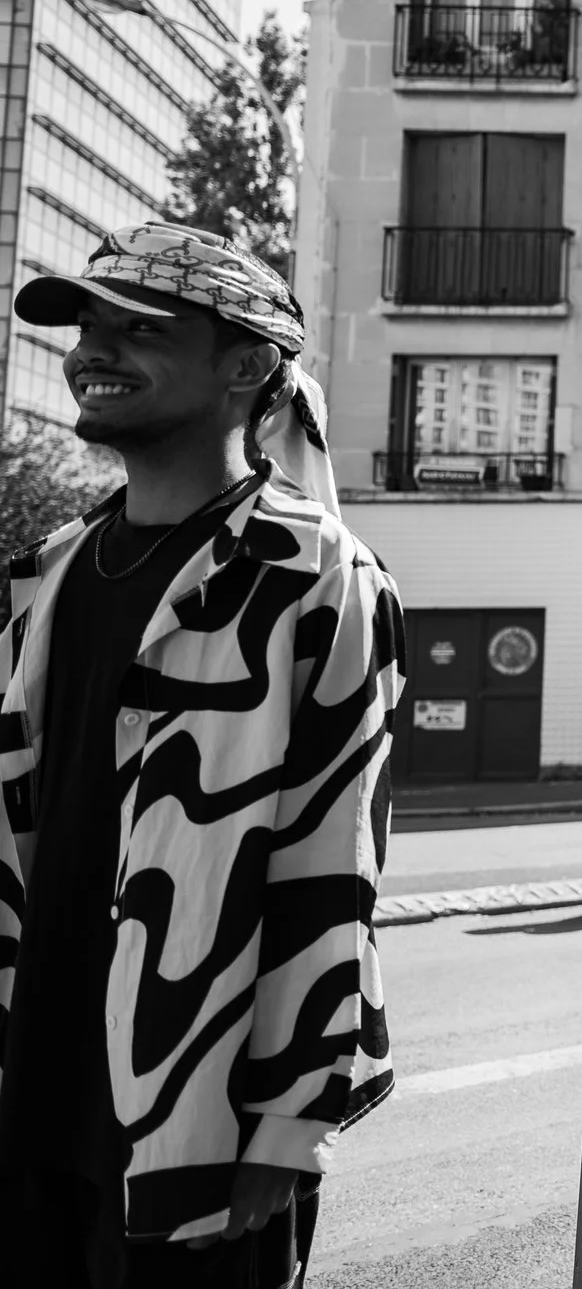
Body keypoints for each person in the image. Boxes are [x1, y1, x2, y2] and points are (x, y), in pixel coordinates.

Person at [0, 222, 402, 1285]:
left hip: (195, 1115)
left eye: (140, 329)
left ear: (246, 365)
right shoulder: (47, 572)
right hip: (27, 1090)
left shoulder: (316, 575)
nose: (92, 349)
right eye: (86, 324)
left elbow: (336, 860)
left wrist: (292, 1122)